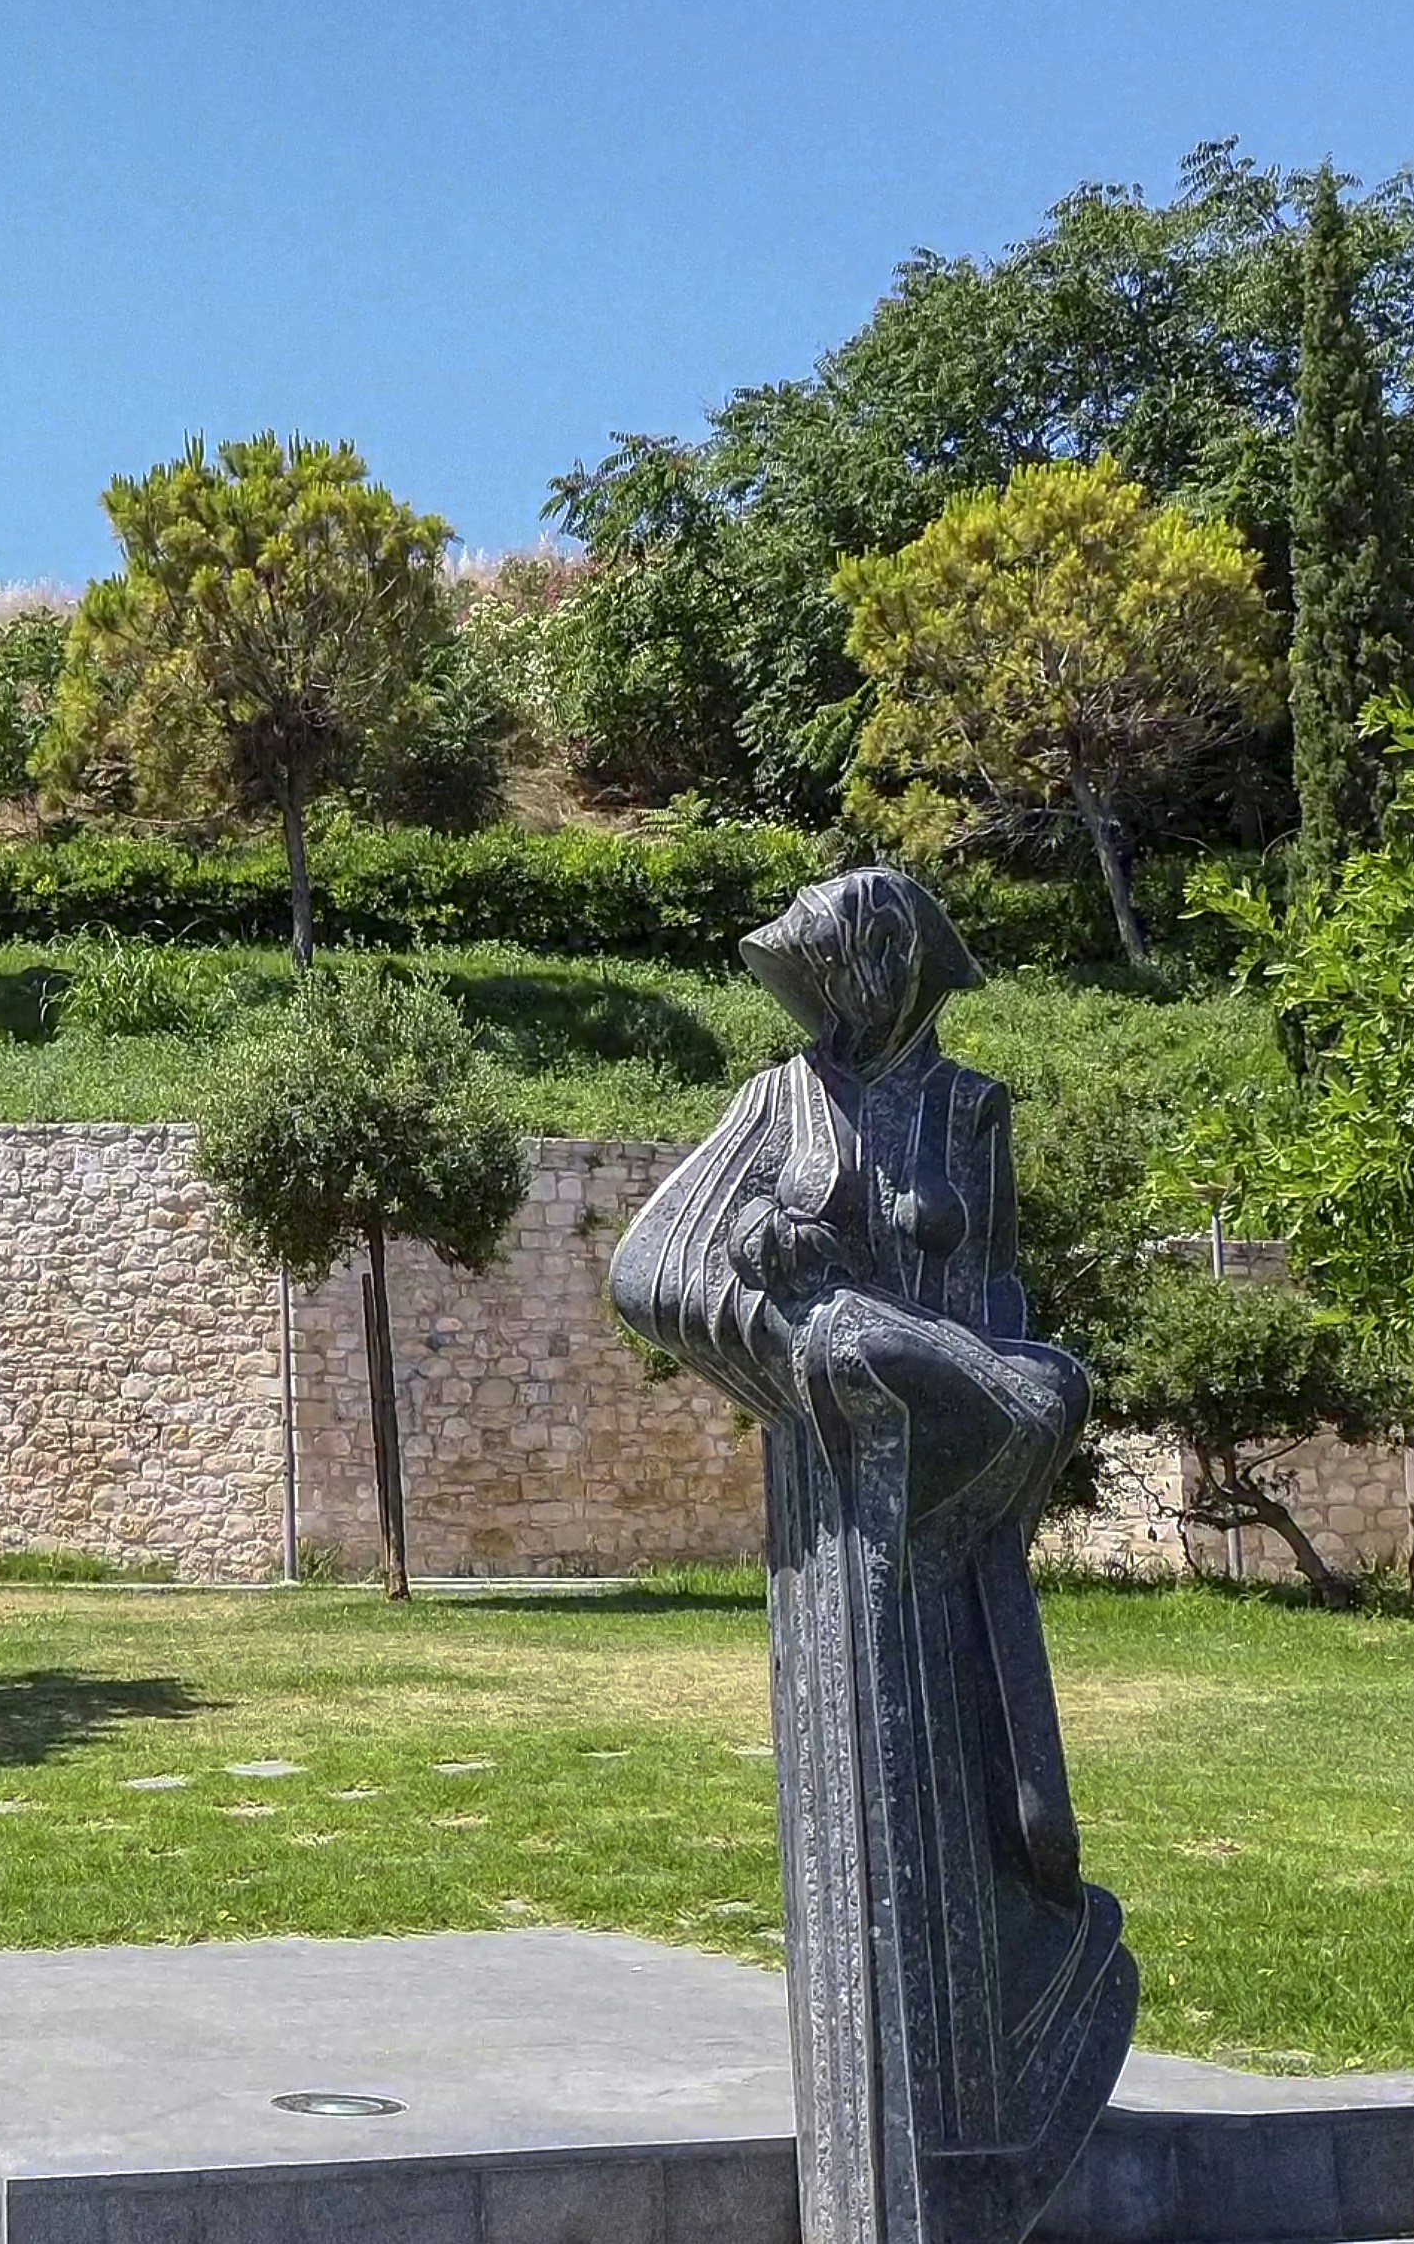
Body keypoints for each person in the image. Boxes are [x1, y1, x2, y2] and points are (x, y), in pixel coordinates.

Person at [611, 867, 1135, 2244]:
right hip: (840, 1521)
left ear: (895, 961)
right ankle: (886, 2188)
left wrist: (1020, 1378)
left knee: (986, 1813)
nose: (835, 991)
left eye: (849, 961)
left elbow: (1007, 1291)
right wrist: (788, 1344)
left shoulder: (970, 1112)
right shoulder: (775, 1105)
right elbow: (650, 1265)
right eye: (820, 968)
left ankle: (995, 2104)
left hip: (952, 1526)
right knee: (866, 1816)